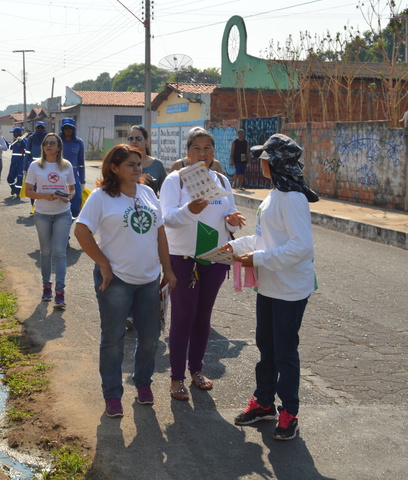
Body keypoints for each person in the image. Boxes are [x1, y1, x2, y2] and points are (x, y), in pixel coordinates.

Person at [226, 134, 318, 441]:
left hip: (290, 290)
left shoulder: (292, 198)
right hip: (269, 286)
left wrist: (259, 259)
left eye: (264, 157)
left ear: (275, 162)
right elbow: (266, 239)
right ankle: (264, 402)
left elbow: (301, 248)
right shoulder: (274, 194)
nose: (259, 161)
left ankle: (289, 411)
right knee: (267, 348)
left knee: (285, 353)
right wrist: (237, 247)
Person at [75, 145, 177, 417]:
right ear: (114, 168)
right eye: (131, 164)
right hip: (116, 280)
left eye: (139, 163)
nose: (138, 168)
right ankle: (112, 395)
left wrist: (167, 269)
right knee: (113, 339)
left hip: (148, 279)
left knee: (150, 338)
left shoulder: (146, 192)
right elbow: (81, 230)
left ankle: (143, 383)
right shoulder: (101, 197)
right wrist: (103, 264)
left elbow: (159, 231)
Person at [159, 128, 245, 401]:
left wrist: (232, 219)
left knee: (203, 316)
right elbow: (167, 218)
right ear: (188, 152)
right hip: (182, 258)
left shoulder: (221, 179)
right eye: (197, 148)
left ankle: (196, 370)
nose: (202, 153)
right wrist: (189, 210)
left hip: (215, 257)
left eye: (207, 148)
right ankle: (176, 377)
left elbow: (228, 212)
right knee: (183, 316)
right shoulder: (176, 181)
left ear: (212, 153)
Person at [23, 133, 76, 309]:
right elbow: (28, 191)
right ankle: (47, 287)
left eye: (52, 143)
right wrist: (44, 196)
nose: (48, 145)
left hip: (62, 213)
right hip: (42, 214)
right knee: (45, 252)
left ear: (59, 147)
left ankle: (60, 293)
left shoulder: (66, 165)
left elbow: (72, 190)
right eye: (46, 143)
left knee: (60, 252)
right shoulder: (35, 165)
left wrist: (66, 197)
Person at [127, 125, 167, 196]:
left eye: (138, 138)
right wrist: (139, 179)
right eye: (131, 138)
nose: (134, 141)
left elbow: (165, 193)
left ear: (146, 141)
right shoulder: (123, 163)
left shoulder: (157, 165)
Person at [60, 118, 87, 217]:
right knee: (60, 205)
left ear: (74, 129)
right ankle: (61, 229)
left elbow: (81, 163)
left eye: (70, 128)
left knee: (76, 206)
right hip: (59, 177)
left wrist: (82, 181)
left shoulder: (78, 142)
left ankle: (67, 224)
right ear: (62, 129)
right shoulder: (57, 141)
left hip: (74, 178)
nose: (68, 130)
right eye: (66, 128)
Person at [6, 127, 26, 197]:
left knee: (19, 177)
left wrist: (22, 141)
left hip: (21, 162)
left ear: (18, 133)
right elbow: (10, 147)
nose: (13, 134)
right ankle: (14, 188)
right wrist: (5, 141)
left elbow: (26, 148)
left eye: (14, 133)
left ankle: (18, 192)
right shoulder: (15, 140)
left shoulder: (24, 140)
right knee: (10, 178)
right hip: (14, 162)